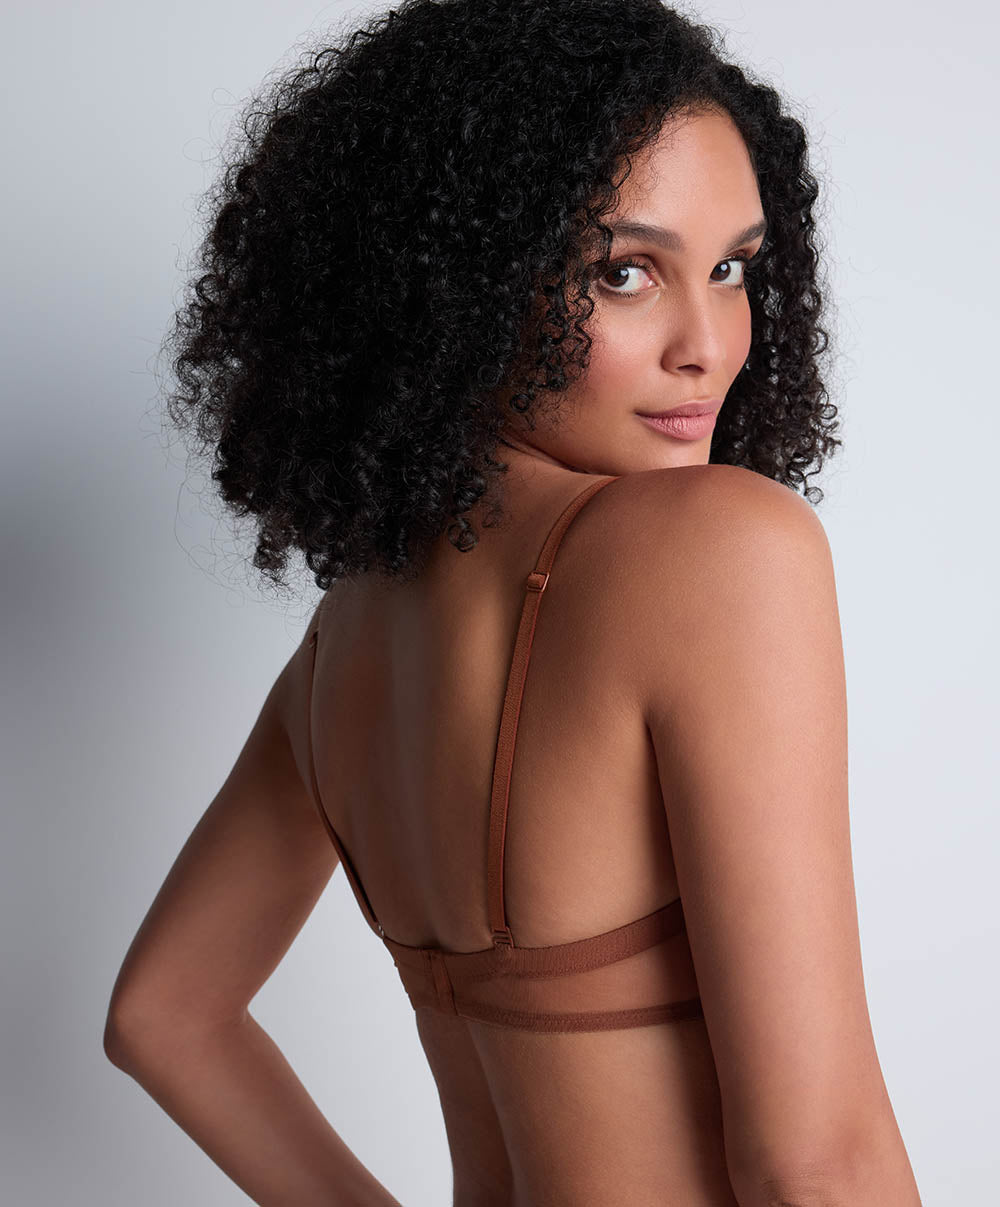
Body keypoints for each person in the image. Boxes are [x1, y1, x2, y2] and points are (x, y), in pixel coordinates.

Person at [103, 1, 923, 1203]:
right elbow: (817, 1162)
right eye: (624, 272)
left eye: (731, 268)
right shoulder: (719, 549)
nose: (707, 343)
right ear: (461, 286)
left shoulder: (348, 636)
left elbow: (163, 1014)